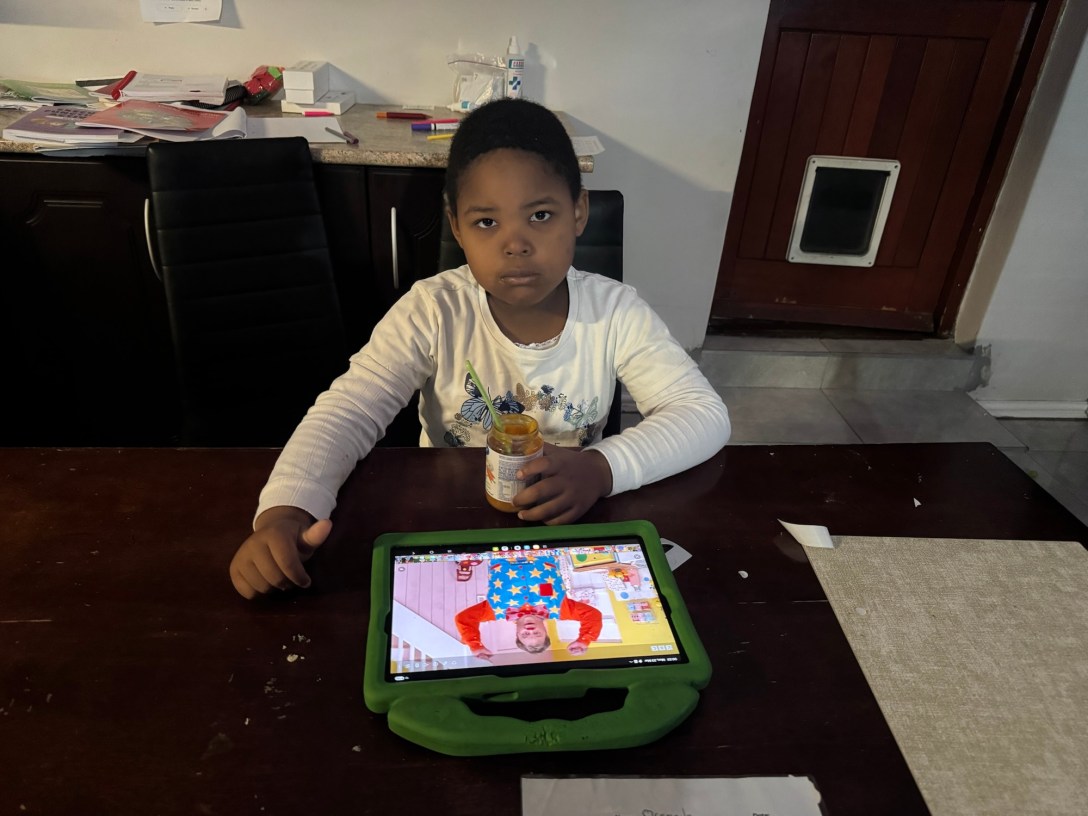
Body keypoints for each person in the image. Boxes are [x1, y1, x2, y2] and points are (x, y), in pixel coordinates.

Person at [229, 98, 731, 599]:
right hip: (449, 527)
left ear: (578, 211)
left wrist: (602, 468)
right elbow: (349, 411)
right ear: (456, 226)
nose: (515, 244)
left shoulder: (616, 312)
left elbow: (702, 413)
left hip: (568, 527)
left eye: (540, 215)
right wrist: (287, 510)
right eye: (487, 222)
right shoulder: (433, 309)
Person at [453, 553, 602, 658]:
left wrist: (475, 645)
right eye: (537, 634)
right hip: (540, 548)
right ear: (545, 631)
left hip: (502, 551)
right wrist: (584, 640)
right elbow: (593, 616)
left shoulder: (493, 612)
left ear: (517, 634)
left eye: (525, 635)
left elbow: (464, 618)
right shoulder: (561, 609)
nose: (530, 630)